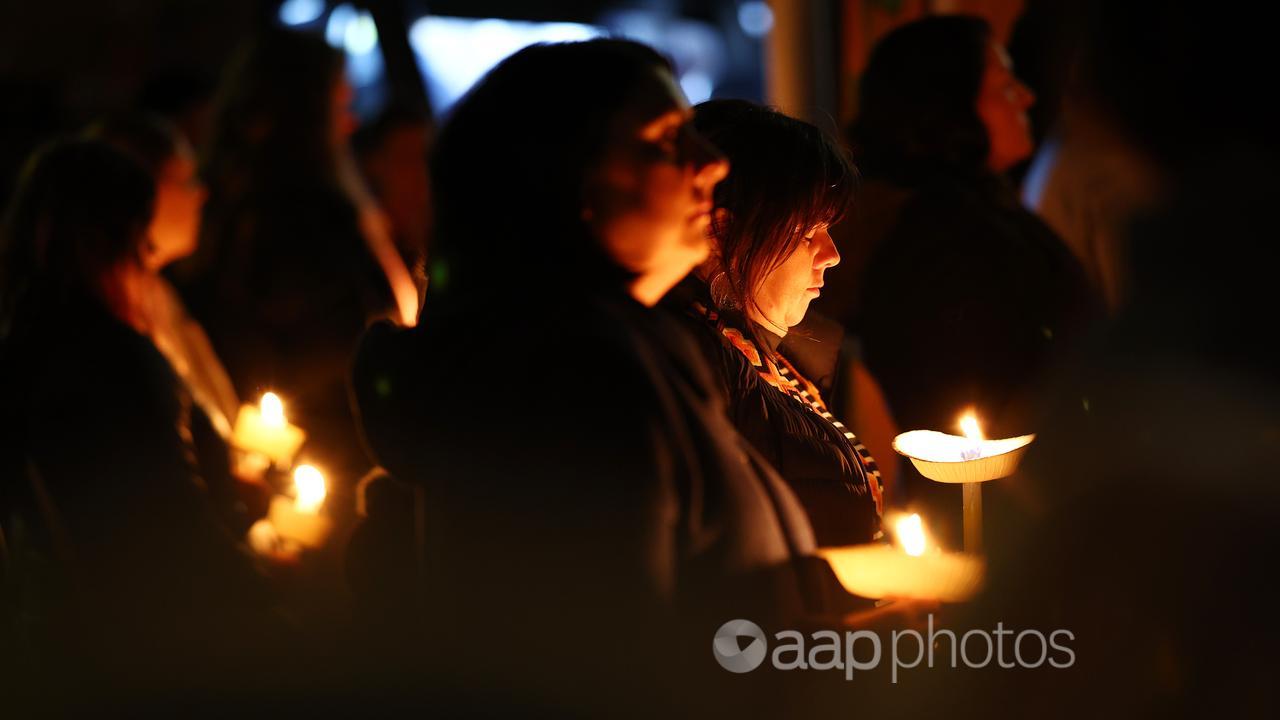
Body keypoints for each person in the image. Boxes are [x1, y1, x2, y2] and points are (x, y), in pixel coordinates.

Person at [350, 39, 860, 713]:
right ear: (566, 181)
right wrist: (861, 660)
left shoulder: (628, 354)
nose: (710, 165)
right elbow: (619, 672)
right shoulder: (572, 384)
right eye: (665, 140)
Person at [0, 139, 287, 705]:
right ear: (115, 241)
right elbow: (174, 526)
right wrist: (270, 585)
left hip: (58, 650)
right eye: (140, 241)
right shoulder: (117, 362)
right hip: (156, 659)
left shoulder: (23, 348)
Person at [817, 15, 1102, 548]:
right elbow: (979, 384)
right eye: (1002, 85)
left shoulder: (976, 208)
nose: (1027, 95)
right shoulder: (942, 236)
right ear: (946, 106)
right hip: (998, 517)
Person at [180, 28, 416, 486]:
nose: (350, 122)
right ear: (306, 111)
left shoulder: (287, 210)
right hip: (326, 463)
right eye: (340, 105)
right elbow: (330, 344)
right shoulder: (296, 222)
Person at [661, 99, 882, 547]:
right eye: (806, 233)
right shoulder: (695, 367)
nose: (832, 254)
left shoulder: (773, 358)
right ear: (720, 233)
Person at [86, 114, 266, 533]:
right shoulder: (115, 329)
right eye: (182, 179)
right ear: (137, 191)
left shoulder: (161, 298)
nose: (201, 193)